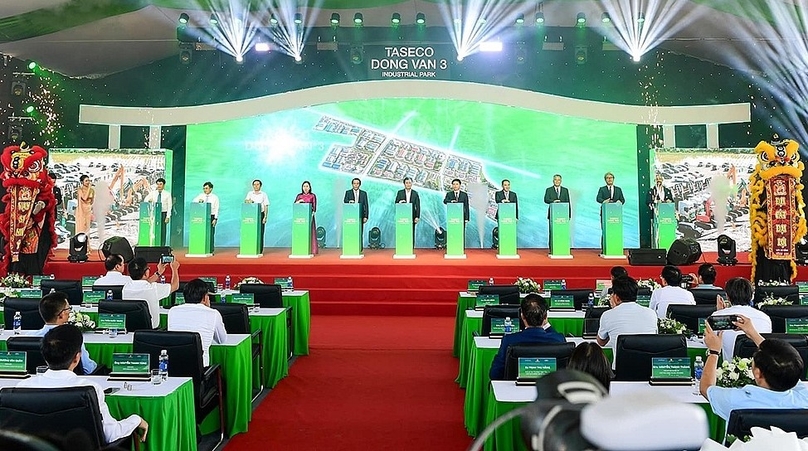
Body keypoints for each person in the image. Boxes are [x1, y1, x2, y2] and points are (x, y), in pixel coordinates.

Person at [17, 324, 148, 444]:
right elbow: (110, 435)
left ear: (44, 356)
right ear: (77, 357)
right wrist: (135, 420)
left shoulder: (21, 388)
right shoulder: (90, 389)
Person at [701, 317, 808, 421]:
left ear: (757, 373)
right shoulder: (804, 397)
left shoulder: (735, 399)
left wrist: (714, 352)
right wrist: (753, 333)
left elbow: (705, 388)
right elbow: (786, 366)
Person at [489, 293, 566, 380]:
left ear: (522, 316)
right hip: (549, 390)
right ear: (545, 317)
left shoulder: (509, 340)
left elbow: (495, 374)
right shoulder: (559, 339)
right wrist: (547, 324)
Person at [28, 292, 103, 375]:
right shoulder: (72, 337)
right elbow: (88, 369)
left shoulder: (28, 337)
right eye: (68, 308)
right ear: (62, 314)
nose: (70, 311)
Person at [597, 275, 658, 367]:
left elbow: (601, 342)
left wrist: (614, 310)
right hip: (648, 368)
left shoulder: (608, 315)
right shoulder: (651, 313)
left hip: (620, 370)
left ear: (616, 297)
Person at [168, 278, 227, 367]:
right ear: (204, 297)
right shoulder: (213, 313)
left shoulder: (173, 311)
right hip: (200, 369)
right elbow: (221, 340)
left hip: (174, 366)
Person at [710, 277, 772, 360]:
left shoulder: (717, 316)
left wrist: (719, 314)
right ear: (752, 297)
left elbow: (708, 342)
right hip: (761, 368)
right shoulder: (765, 318)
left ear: (727, 297)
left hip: (727, 369)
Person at [122, 257, 180, 329]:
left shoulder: (126, 288)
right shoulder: (153, 288)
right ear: (146, 272)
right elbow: (175, 286)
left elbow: (143, 283)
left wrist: (158, 273)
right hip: (151, 330)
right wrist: (174, 269)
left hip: (131, 328)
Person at [192, 181, 219, 253]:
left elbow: (216, 208)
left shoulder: (215, 197)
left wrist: (215, 219)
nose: (205, 190)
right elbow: (193, 202)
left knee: (210, 233)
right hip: (202, 216)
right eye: (204, 188)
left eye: (206, 188)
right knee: (202, 232)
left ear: (211, 189)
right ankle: (201, 248)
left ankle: (210, 250)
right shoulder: (200, 195)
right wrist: (199, 201)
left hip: (211, 216)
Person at [543, 174, 571, 244]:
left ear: (561, 181)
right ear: (553, 181)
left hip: (563, 215)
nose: (557, 181)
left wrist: (569, 215)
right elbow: (546, 199)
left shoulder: (565, 190)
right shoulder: (549, 190)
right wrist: (553, 201)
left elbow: (568, 202)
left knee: (562, 232)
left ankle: (562, 247)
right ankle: (551, 249)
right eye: (555, 179)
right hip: (553, 215)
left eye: (558, 180)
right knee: (552, 232)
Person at [143, 178, 171, 245]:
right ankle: (154, 244)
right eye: (158, 184)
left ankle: (162, 245)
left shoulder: (167, 194)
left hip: (163, 213)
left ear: (164, 185)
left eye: (160, 184)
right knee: (154, 229)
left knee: (163, 231)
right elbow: (145, 200)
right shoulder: (153, 193)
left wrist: (168, 216)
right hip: (154, 213)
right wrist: (149, 200)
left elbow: (169, 206)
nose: (159, 186)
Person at [343, 178, 369, 247]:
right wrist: (349, 202)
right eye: (354, 183)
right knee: (351, 231)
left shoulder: (363, 193)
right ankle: (351, 246)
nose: (356, 185)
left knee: (360, 232)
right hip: (351, 216)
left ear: (359, 184)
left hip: (360, 215)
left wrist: (366, 216)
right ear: (352, 184)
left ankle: (359, 247)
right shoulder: (348, 192)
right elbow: (345, 201)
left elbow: (366, 205)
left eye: (357, 183)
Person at [294, 180, 318, 254]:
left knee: (310, 232)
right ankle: (300, 247)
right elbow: (295, 205)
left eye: (307, 186)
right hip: (300, 218)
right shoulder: (299, 196)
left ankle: (311, 249)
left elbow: (314, 208)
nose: (305, 188)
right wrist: (298, 202)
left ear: (310, 187)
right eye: (304, 186)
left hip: (309, 217)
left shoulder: (312, 196)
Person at [244, 179, 270, 249]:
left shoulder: (263, 194)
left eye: (257, 184)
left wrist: (265, 216)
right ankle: (251, 248)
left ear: (260, 186)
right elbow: (246, 201)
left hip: (260, 214)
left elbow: (266, 205)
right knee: (251, 231)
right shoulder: (250, 193)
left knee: (260, 232)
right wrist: (249, 201)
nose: (256, 186)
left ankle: (259, 249)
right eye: (254, 184)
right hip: (251, 215)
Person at [394, 177, 420, 241]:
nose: (408, 184)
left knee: (411, 233)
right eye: (407, 183)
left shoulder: (415, 193)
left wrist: (417, 217)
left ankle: (411, 249)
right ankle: (402, 248)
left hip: (412, 216)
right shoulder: (400, 192)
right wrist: (400, 202)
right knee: (402, 232)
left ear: (412, 184)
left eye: (409, 183)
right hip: (402, 216)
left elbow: (418, 206)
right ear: (404, 184)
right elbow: (396, 202)